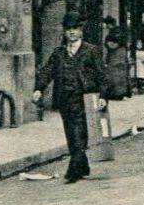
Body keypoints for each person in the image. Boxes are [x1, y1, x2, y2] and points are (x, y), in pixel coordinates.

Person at [33, 14, 108, 183]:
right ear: (64, 31)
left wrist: (103, 95)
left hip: (85, 97)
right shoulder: (59, 52)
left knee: (79, 132)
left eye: (75, 29)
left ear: (81, 31)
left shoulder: (91, 50)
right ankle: (82, 165)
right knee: (70, 132)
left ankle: (73, 169)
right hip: (65, 98)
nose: (72, 32)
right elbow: (47, 71)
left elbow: (102, 75)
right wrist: (39, 88)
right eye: (68, 29)